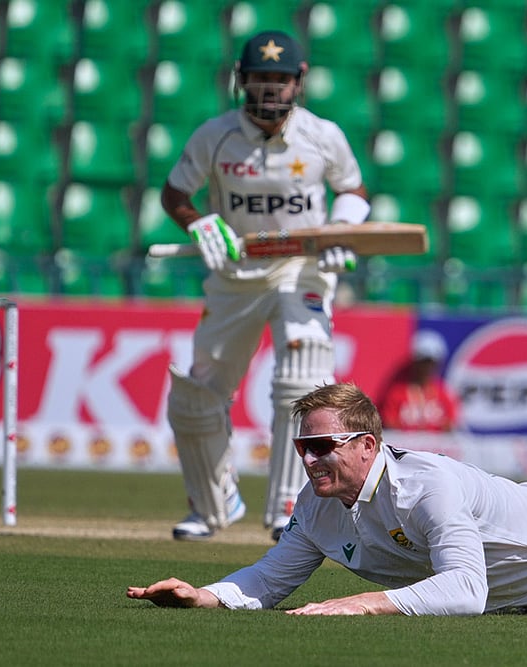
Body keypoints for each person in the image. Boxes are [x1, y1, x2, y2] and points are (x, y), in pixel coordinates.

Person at [128, 325, 527, 617]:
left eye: (323, 446)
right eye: (303, 447)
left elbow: (466, 590)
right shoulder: (316, 506)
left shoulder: (428, 486)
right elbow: (270, 578)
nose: (310, 459)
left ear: (367, 445)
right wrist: (205, 595)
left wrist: (363, 604)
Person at [159, 30, 370, 542]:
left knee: (304, 380)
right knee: (196, 395)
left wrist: (341, 229)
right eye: (260, 78)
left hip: (302, 267)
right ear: (241, 79)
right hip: (236, 273)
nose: (270, 88)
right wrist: (198, 223)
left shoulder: (322, 135)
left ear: (299, 81)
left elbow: (353, 190)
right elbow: (175, 194)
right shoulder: (215, 135)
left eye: (280, 78)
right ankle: (212, 505)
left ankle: (287, 508)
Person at [379, 329, 460, 432]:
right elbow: (388, 422)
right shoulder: (397, 392)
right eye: (422, 362)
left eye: (430, 363)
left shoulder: (444, 392)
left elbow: (451, 423)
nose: (426, 368)